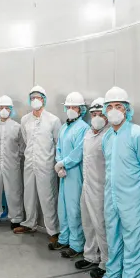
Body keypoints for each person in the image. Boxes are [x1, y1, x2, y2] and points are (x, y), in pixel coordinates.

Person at [87, 87, 140, 278]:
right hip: (112, 196)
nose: (114, 111)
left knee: (134, 241)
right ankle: (113, 274)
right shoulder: (108, 136)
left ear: (127, 110)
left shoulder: (139, 134)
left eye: (119, 106)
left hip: (133, 198)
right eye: (110, 107)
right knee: (114, 236)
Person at [14, 86, 62, 244]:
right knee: (29, 195)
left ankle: (53, 230)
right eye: (33, 97)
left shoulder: (53, 120)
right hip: (29, 163)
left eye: (39, 97)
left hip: (46, 165)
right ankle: (29, 223)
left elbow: (57, 143)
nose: (36, 100)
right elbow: (26, 140)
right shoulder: (25, 120)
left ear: (44, 100)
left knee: (48, 198)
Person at [75, 97, 110, 276]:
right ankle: (90, 256)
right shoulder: (89, 133)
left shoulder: (109, 135)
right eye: (94, 114)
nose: (96, 117)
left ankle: (105, 263)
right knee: (87, 222)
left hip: (101, 188)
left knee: (101, 225)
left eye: (100, 114)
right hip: (87, 184)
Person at [51, 92, 90, 256]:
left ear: (81, 110)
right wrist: (59, 164)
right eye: (68, 107)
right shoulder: (64, 127)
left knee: (74, 209)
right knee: (63, 208)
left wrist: (64, 163)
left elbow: (79, 151)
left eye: (74, 107)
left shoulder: (83, 128)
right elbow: (58, 147)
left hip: (75, 173)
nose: (71, 110)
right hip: (63, 173)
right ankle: (64, 238)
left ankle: (76, 244)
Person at [0, 95, 24, 229]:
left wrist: (14, 158)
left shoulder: (17, 127)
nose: (4, 110)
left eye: (7, 108)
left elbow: (22, 146)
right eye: (2, 107)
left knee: (13, 190)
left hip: (12, 163)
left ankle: (16, 218)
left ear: (11, 109)